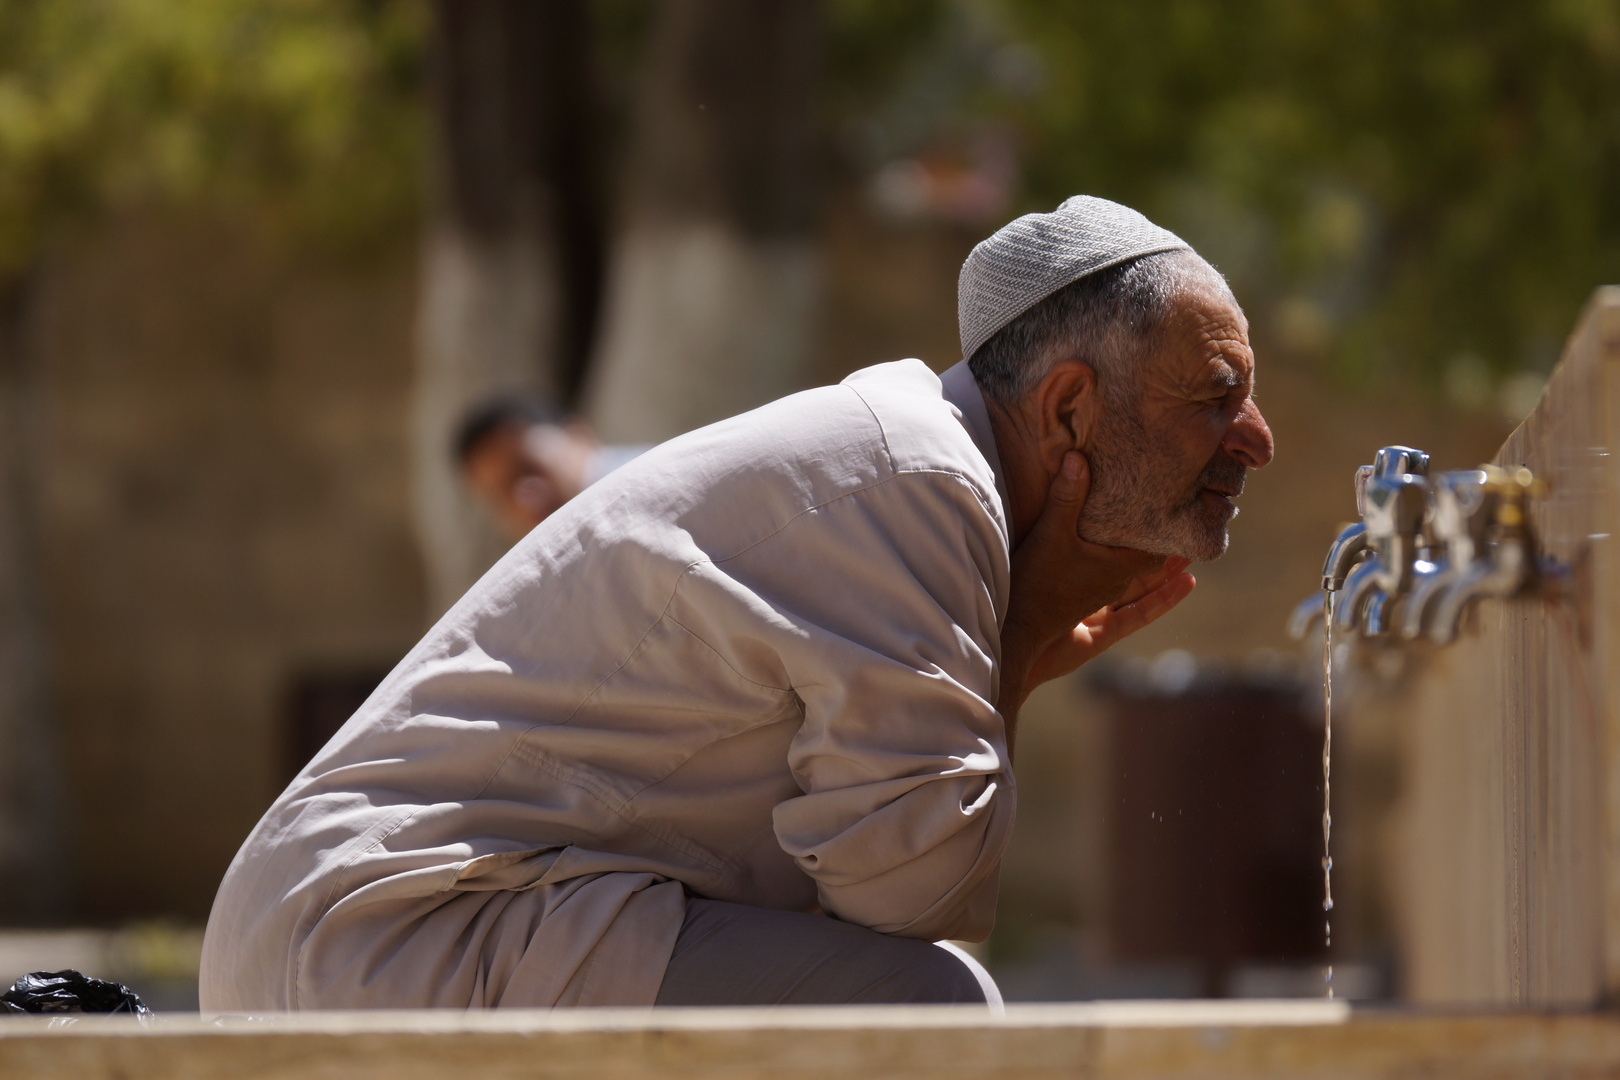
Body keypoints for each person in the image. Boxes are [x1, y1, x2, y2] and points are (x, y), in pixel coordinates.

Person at [199, 196, 1273, 1010]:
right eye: (1216, 395)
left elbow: (885, 879)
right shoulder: (921, 482)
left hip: (376, 929)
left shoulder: (918, 467)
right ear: (1071, 407)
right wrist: (1026, 633)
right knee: (931, 1012)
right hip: (391, 937)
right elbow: (911, 899)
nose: (1256, 439)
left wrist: (1014, 643)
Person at [454, 399, 648, 541]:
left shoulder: (653, 479)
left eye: (528, 468)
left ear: (577, 435)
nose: (525, 501)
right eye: (501, 496)